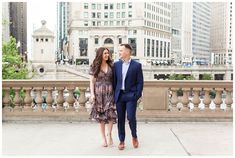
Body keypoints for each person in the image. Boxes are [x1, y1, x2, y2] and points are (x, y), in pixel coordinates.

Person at [113, 44, 144, 150]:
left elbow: (140, 82)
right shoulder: (116, 65)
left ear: (127, 52)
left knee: (131, 117)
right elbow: (114, 81)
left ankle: (134, 137)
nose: (119, 52)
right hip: (120, 96)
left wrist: (137, 94)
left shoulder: (137, 65)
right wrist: (114, 94)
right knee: (120, 119)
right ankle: (121, 141)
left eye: (121, 50)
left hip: (131, 95)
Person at [89, 47, 117, 147]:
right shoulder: (94, 66)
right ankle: (103, 138)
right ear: (100, 54)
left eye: (108, 53)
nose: (107, 55)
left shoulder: (112, 65)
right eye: (105, 53)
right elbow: (91, 82)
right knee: (101, 117)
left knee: (110, 114)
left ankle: (109, 135)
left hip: (110, 92)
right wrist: (92, 94)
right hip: (99, 94)